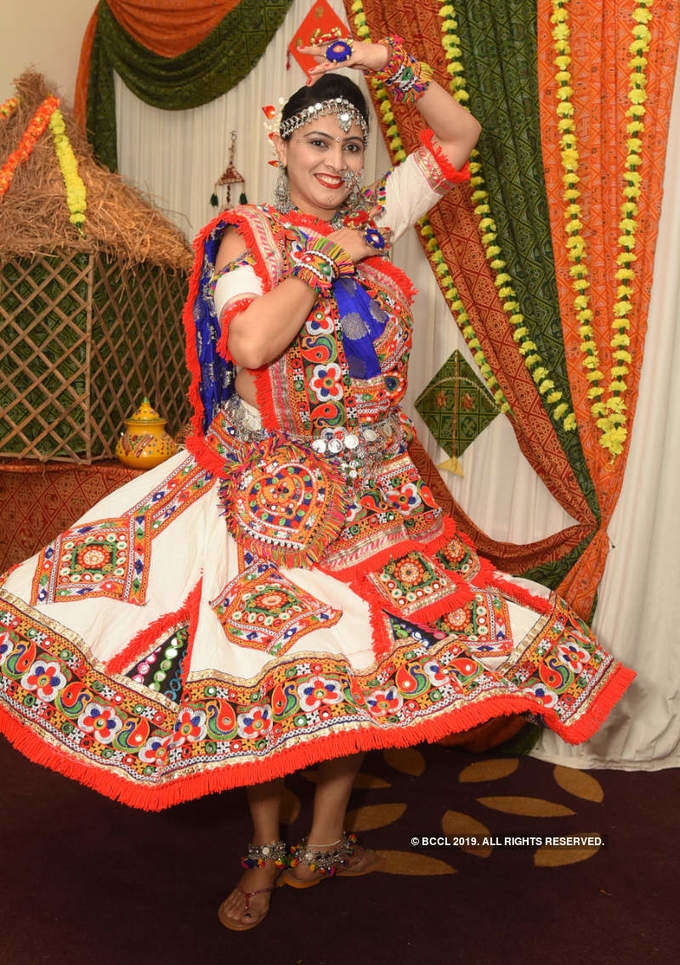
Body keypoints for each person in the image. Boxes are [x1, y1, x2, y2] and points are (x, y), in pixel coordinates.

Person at [0, 37, 634, 932]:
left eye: (351, 146)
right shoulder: (242, 238)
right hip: (269, 499)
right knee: (270, 672)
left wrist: (387, 63)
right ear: (282, 149)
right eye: (317, 144)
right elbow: (252, 344)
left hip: (376, 495)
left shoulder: (376, 215)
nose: (336, 161)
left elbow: (460, 135)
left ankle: (323, 840)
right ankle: (266, 849)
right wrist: (329, 255)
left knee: (353, 678)